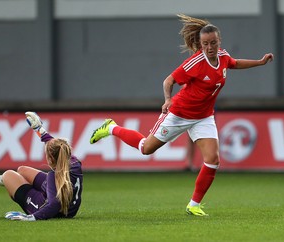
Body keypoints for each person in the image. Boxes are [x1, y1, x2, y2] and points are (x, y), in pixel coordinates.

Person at [89, 14, 274, 216]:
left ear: (219, 41)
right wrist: (168, 100)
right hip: (179, 114)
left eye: (213, 42)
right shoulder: (194, 63)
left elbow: (235, 63)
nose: (210, 47)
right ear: (201, 44)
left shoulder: (222, 56)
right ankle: (111, 127)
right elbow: (168, 80)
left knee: (213, 159)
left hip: (203, 117)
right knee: (145, 148)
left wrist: (260, 62)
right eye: (205, 44)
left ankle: (193, 205)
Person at [0, 112, 83, 221]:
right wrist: (38, 128)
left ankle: (11, 183)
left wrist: (31, 217)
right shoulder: (75, 163)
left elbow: (54, 204)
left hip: (48, 209)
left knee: (8, 175)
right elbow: (55, 145)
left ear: (50, 159)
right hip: (70, 209)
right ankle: (16, 183)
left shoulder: (53, 176)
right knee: (22, 170)